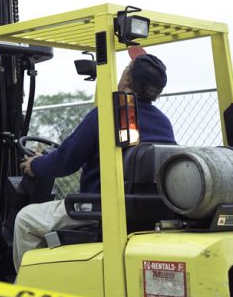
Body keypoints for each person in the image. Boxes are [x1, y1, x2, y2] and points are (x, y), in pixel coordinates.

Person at [12, 47, 176, 270]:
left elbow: (65, 161)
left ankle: (28, 292)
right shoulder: (163, 122)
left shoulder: (107, 114)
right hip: (146, 210)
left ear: (127, 78)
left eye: (126, 68)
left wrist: (36, 165)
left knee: (26, 220)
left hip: (101, 207)